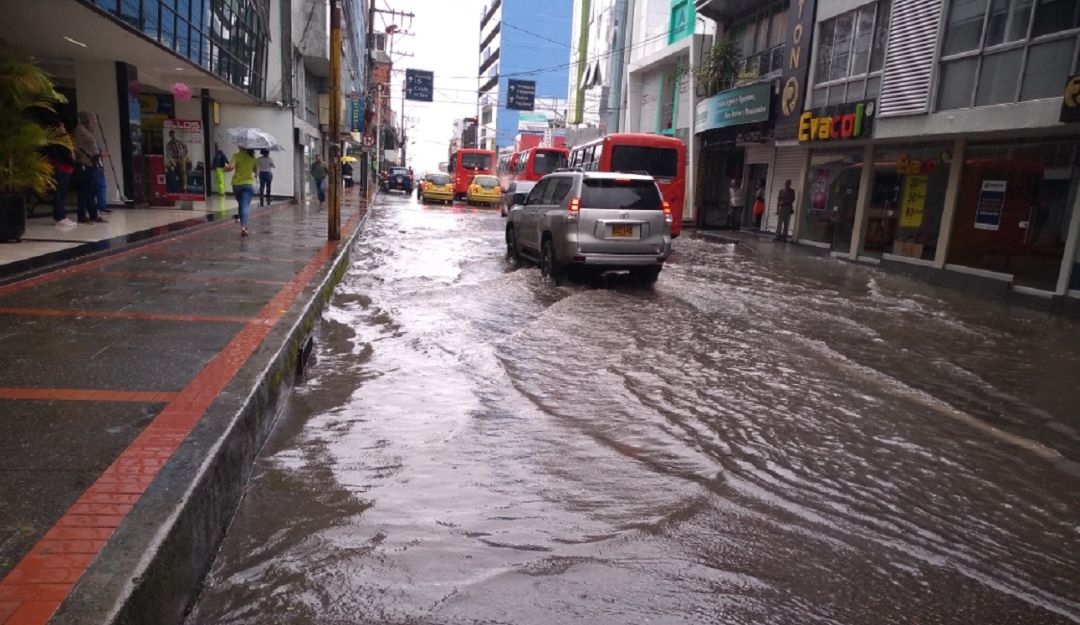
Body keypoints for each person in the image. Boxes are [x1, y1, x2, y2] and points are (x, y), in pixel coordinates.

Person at [43, 120, 77, 229]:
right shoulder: (57, 141)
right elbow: (62, 155)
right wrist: (70, 159)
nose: (64, 128)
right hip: (61, 168)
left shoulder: (64, 139)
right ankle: (59, 216)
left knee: (62, 192)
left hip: (66, 169)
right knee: (60, 192)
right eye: (62, 127)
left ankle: (61, 215)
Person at [72, 111, 105, 223]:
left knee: (92, 190)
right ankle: (82, 215)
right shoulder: (80, 130)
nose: (95, 123)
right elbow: (77, 147)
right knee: (84, 190)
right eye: (93, 120)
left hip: (92, 163)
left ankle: (93, 213)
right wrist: (85, 157)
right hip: (85, 163)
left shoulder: (88, 131)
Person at [223, 147, 257, 237]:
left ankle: (242, 225)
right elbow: (256, 170)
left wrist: (223, 169)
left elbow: (231, 167)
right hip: (248, 185)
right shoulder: (253, 157)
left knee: (241, 204)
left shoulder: (236, 156)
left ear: (240, 146)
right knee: (244, 205)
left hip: (237, 185)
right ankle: (244, 227)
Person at [165, 129, 189, 194]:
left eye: (174, 134)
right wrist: (173, 161)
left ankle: (184, 188)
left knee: (183, 172)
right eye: (172, 135)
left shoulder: (179, 141)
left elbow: (186, 148)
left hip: (181, 158)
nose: (173, 136)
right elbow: (168, 154)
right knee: (173, 170)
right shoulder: (168, 144)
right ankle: (176, 186)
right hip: (174, 159)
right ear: (170, 135)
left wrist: (183, 155)